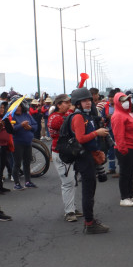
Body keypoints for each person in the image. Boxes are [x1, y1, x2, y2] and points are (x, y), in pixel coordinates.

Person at [69, 87, 110, 234]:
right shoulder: (78, 117)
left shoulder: (87, 116)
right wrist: (96, 133)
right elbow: (81, 138)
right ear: (77, 103)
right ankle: (89, 223)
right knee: (88, 192)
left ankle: (90, 221)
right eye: (84, 100)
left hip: (89, 156)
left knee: (90, 190)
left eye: (89, 100)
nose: (87, 103)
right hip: (84, 158)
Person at [48, 94, 84, 222]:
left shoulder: (63, 115)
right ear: (58, 105)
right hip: (60, 153)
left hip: (68, 152)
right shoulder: (55, 118)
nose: (69, 104)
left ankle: (72, 208)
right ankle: (69, 212)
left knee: (72, 181)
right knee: (68, 183)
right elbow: (69, 123)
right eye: (65, 102)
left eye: (69, 102)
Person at [111, 92, 133, 207]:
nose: (125, 103)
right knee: (125, 173)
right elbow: (118, 134)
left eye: (127, 100)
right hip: (125, 148)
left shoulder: (126, 114)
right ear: (117, 102)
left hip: (132, 147)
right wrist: (123, 148)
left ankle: (130, 195)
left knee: (130, 172)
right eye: (122, 101)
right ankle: (124, 197)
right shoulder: (118, 116)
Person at [11, 100, 38, 189]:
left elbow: (35, 125)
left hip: (28, 142)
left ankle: (28, 181)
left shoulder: (27, 115)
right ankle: (17, 183)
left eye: (20, 106)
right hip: (17, 143)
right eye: (16, 106)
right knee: (17, 163)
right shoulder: (11, 117)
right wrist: (21, 125)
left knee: (27, 163)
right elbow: (12, 130)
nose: (18, 108)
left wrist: (30, 127)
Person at [0, 102, 13, 194]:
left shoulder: (4, 118)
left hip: (5, 145)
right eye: (0, 107)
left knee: (2, 166)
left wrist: (7, 123)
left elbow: (11, 131)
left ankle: (1, 187)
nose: (2, 109)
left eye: (3, 107)